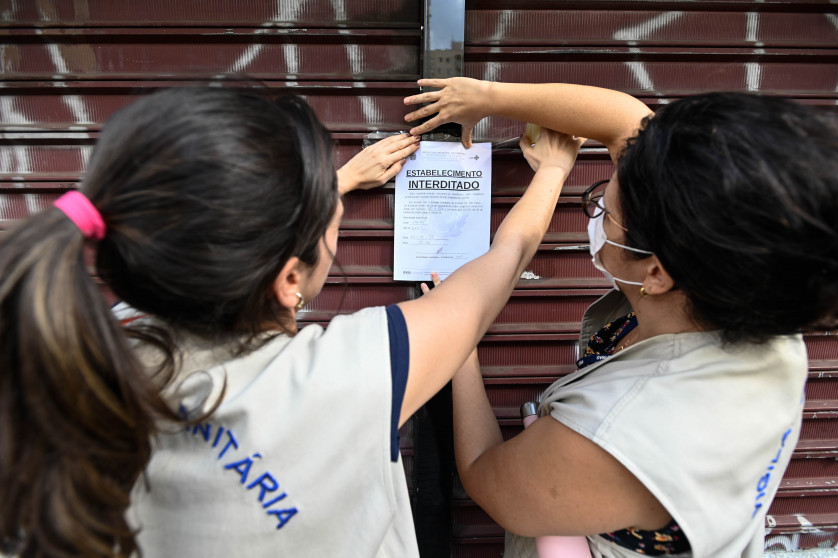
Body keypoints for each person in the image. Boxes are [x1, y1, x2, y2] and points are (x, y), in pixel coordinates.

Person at [0, 86, 584, 558]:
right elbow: (502, 262)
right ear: (288, 281)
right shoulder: (345, 378)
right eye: (328, 216)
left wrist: (341, 183)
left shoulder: (91, 341)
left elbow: (205, 232)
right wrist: (554, 170)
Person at [404, 77, 838, 557]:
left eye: (604, 211)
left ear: (656, 273)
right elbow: (624, 123)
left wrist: (458, 337)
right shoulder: (755, 286)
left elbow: (488, 476)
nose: (595, 216)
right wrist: (491, 101)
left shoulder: (623, 438)